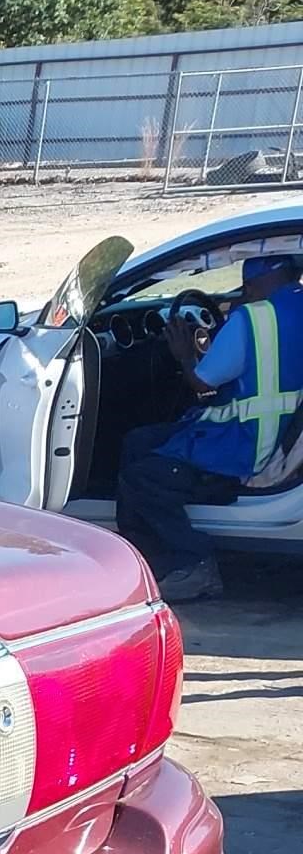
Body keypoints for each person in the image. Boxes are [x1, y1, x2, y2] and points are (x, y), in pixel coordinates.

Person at [115, 252, 303, 602]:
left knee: (141, 478)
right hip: (279, 436)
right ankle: (147, 558)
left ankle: (194, 563)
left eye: (246, 285)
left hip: (243, 450)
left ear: (255, 281)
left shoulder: (253, 319)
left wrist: (186, 354)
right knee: (138, 441)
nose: (243, 291)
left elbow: (203, 384)